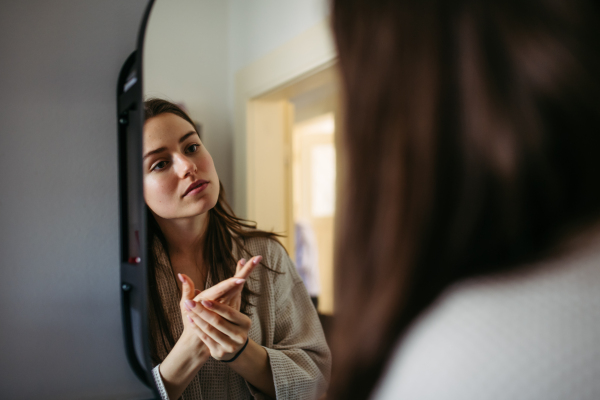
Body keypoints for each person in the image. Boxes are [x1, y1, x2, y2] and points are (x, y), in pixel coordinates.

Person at [328, 0, 600, 399]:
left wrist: (246, 353)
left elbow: (308, 369)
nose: (196, 168)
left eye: (196, 147)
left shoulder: (470, 364)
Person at [142, 98, 330, 400]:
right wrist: (190, 348)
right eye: (160, 163)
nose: (188, 166)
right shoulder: (120, 278)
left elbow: (318, 382)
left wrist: (242, 352)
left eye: (191, 147)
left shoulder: (266, 255)